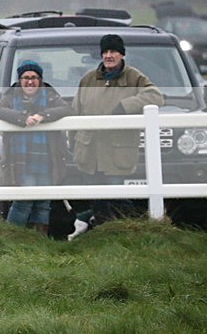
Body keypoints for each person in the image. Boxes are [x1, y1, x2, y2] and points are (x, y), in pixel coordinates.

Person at [69, 33, 164, 239]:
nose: (108, 55)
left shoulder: (134, 77)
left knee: (118, 199)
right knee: (96, 199)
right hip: (89, 152)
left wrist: (126, 106)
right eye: (105, 51)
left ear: (122, 54)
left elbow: (155, 96)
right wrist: (72, 144)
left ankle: (127, 237)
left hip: (116, 151)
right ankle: (100, 238)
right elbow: (75, 112)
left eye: (113, 51)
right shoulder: (88, 79)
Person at [0, 60, 73, 236]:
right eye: (25, 77)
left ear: (40, 80)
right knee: (23, 201)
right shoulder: (11, 96)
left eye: (34, 77)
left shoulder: (50, 95)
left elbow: (66, 109)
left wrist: (43, 115)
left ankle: (38, 240)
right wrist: (22, 118)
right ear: (20, 80)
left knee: (43, 203)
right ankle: (11, 237)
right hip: (21, 160)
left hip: (47, 159)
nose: (30, 82)